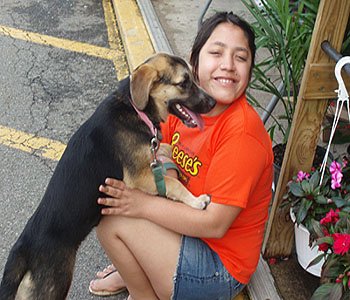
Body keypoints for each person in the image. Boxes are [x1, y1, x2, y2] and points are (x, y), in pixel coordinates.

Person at [89, 11, 273, 300]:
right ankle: (137, 270)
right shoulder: (185, 104)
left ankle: (142, 292)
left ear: (250, 70)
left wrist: (140, 204)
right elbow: (162, 148)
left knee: (114, 217)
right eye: (216, 52)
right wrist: (169, 181)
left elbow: (213, 224)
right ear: (194, 61)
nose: (228, 65)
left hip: (218, 267)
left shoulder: (242, 135)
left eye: (241, 57)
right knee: (122, 194)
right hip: (189, 230)